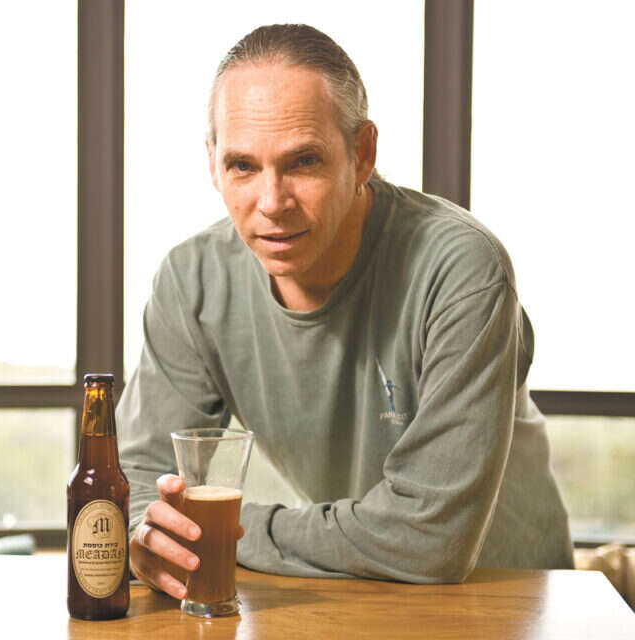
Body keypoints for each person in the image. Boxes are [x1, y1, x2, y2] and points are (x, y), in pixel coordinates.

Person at [117, 23, 574, 600]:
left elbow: (430, 539)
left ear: (362, 155)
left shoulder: (461, 268)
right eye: (243, 166)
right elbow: (130, 489)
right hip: (351, 594)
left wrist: (224, 527)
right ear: (212, 163)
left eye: (303, 161)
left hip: (506, 594)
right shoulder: (192, 281)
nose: (272, 202)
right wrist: (145, 536)